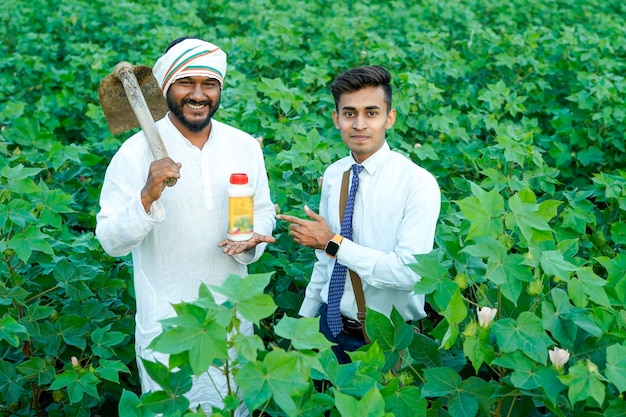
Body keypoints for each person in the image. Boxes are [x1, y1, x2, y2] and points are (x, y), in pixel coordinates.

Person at [95, 37, 276, 415]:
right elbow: (111, 240)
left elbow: (262, 211)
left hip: (231, 323)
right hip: (167, 327)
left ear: (220, 89)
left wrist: (254, 239)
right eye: (186, 83)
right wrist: (146, 196)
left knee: (232, 407)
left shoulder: (245, 147)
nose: (198, 94)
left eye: (209, 84)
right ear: (165, 88)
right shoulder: (134, 153)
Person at [277, 65, 440, 363]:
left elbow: (408, 273)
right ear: (336, 119)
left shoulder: (417, 184)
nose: (359, 124)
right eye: (350, 113)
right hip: (328, 327)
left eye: (372, 113)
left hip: (387, 339)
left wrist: (334, 243)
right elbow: (325, 262)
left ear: (389, 118)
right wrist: (305, 319)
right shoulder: (335, 172)